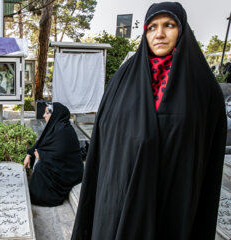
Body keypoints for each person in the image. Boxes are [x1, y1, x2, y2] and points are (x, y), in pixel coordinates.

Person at [72, 2, 226, 240]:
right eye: (152, 27)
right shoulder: (123, 79)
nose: (160, 34)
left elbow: (207, 155)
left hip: (171, 199)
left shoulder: (203, 88)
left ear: (182, 29)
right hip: (121, 193)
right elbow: (105, 140)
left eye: (169, 25)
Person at [23, 102, 84, 206]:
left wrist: (41, 155)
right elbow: (41, 143)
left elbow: (60, 153)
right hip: (60, 163)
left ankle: (45, 198)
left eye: (47, 113)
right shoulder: (56, 126)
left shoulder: (63, 130)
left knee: (41, 168)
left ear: (55, 115)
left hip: (69, 170)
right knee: (39, 163)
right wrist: (29, 154)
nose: (43, 116)